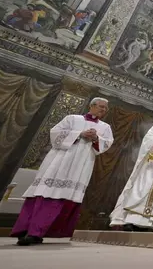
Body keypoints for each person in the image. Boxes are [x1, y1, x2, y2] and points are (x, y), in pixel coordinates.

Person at [11, 98, 113, 246]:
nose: (103, 110)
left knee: (62, 197)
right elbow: (55, 134)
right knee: (44, 193)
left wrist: (96, 138)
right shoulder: (72, 118)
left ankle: (38, 233)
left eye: (105, 109)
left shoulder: (105, 127)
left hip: (81, 165)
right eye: (101, 107)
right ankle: (27, 230)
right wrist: (80, 134)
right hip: (58, 162)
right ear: (92, 106)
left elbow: (106, 144)